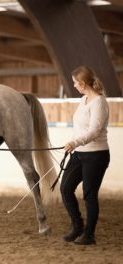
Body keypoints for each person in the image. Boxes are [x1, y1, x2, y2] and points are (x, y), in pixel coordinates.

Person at [60, 66, 110, 245]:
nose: (74, 86)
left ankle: (89, 235)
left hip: (96, 155)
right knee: (65, 189)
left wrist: (75, 142)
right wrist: (73, 143)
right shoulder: (84, 100)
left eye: (75, 83)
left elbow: (95, 131)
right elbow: (80, 128)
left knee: (89, 195)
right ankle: (77, 226)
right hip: (79, 154)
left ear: (82, 83)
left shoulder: (99, 102)